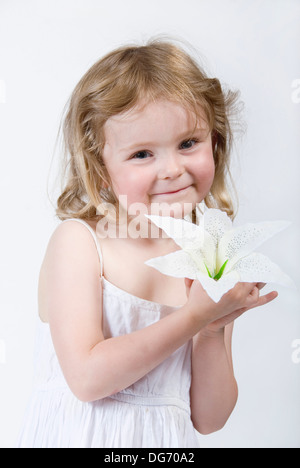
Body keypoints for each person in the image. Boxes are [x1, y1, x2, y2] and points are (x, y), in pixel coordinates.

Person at [16, 40, 277, 448]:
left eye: (188, 143)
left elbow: (210, 418)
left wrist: (211, 329)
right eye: (141, 154)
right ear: (101, 170)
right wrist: (192, 317)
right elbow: (87, 379)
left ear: (215, 141)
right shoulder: (80, 243)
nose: (172, 169)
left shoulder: (211, 256)